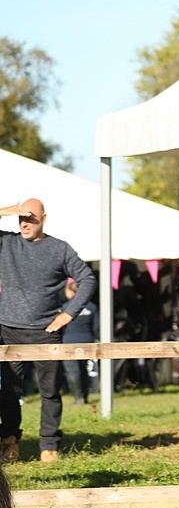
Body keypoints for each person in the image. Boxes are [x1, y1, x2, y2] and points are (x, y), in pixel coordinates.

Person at [0, 198, 97, 464]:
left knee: (49, 391)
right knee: (8, 391)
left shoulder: (59, 249)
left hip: (46, 332)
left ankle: (49, 445)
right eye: (20, 218)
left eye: (30, 217)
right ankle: (10, 442)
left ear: (44, 218)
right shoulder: (7, 243)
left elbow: (87, 278)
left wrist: (68, 313)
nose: (25, 223)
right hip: (9, 329)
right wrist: (3, 211)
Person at [60, 280, 99, 405]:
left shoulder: (66, 307)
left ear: (70, 291)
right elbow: (97, 327)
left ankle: (78, 398)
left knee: (72, 371)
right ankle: (85, 397)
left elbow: (60, 326)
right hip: (87, 341)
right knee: (84, 370)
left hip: (69, 341)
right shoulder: (92, 307)